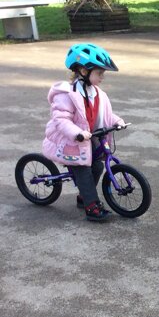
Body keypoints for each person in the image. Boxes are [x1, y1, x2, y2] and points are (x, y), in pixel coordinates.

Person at [42, 43, 125, 222]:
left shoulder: (97, 93)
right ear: (83, 71)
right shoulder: (66, 94)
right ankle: (91, 207)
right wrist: (76, 133)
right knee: (83, 171)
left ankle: (84, 195)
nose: (102, 77)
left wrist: (117, 121)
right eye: (99, 73)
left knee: (98, 166)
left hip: (89, 139)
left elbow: (103, 115)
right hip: (71, 140)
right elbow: (61, 119)